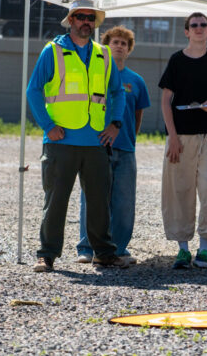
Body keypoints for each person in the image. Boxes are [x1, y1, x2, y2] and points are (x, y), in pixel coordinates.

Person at [25, 0, 128, 272]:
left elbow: (118, 92)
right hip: (61, 142)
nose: (86, 22)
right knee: (56, 201)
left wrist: (115, 124)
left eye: (91, 18)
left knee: (98, 201)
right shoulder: (53, 51)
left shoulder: (103, 55)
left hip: (95, 140)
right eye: (81, 16)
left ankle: (104, 253)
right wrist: (48, 126)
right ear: (70, 20)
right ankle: (47, 255)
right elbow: (33, 90)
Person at [159, 12, 207, 269]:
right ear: (187, 31)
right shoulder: (177, 60)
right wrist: (173, 137)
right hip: (181, 135)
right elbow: (166, 100)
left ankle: (204, 248)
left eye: (204, 24)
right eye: (194, 25)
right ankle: (182, 249)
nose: (199, 28)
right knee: (180, 190)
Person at [75, 26, 150, 265]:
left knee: (124, 202)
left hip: (126, 149)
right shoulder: (94, 76)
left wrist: (130, 138)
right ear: (105, 47)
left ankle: (118, 248)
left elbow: (138, 114)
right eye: (114, 42)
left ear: (129, 50)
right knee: (92, 199)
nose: (119, 46)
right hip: (96, 147)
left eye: (124, 43)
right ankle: (86, 248)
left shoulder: (136, 81)